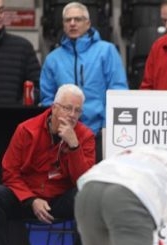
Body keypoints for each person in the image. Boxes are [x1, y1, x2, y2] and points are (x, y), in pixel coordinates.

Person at [0, 84, 95, 245]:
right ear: (54, 108)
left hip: (59, 199)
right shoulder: (26, 129)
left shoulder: (85, 136)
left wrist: (74, 146)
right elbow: (10, 172)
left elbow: (84, 181)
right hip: (27, 199)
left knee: (89, 195)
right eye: (67, 108)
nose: (72, 115)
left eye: (77, 111)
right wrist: (31, 200)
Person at [40, 1, 128, 161]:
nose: (72, 23)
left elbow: (118, 93)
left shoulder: (107, 51)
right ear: (63, 24)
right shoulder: (53, 58)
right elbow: (47, 99)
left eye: (78, 19)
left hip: (98, 133)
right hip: (63, 135)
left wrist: (106, 127)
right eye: (68, 20)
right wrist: (56, 127)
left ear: (88, 23)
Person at [0, 0, 41, 105]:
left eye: (1, 10)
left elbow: (38, 86)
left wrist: (20, 106)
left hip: (11, 118)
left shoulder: (22, 48)